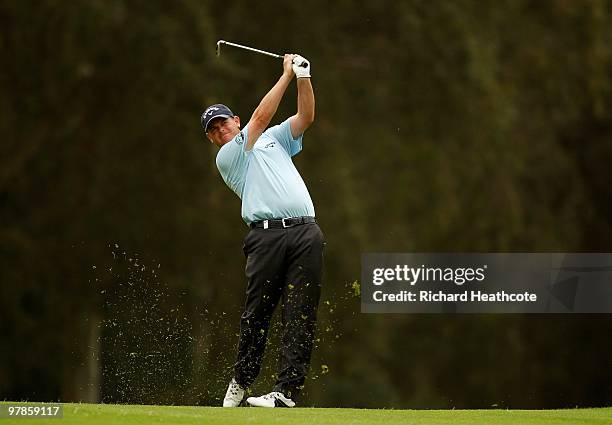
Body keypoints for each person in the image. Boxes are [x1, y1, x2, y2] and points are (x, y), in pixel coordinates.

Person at [201, 54, 324, 408]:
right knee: (258, 313)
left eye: (223, 123)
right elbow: (260, 117)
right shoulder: (228, 157)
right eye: (214, 131)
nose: (221, 131)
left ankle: (286, 392)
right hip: (266, 237)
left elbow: (305, 117)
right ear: (212, 140)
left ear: (233, 120)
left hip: (306, 233)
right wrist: (285, 75)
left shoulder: (275, 139)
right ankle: (241, 381)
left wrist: (304, 77)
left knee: (300, 312)